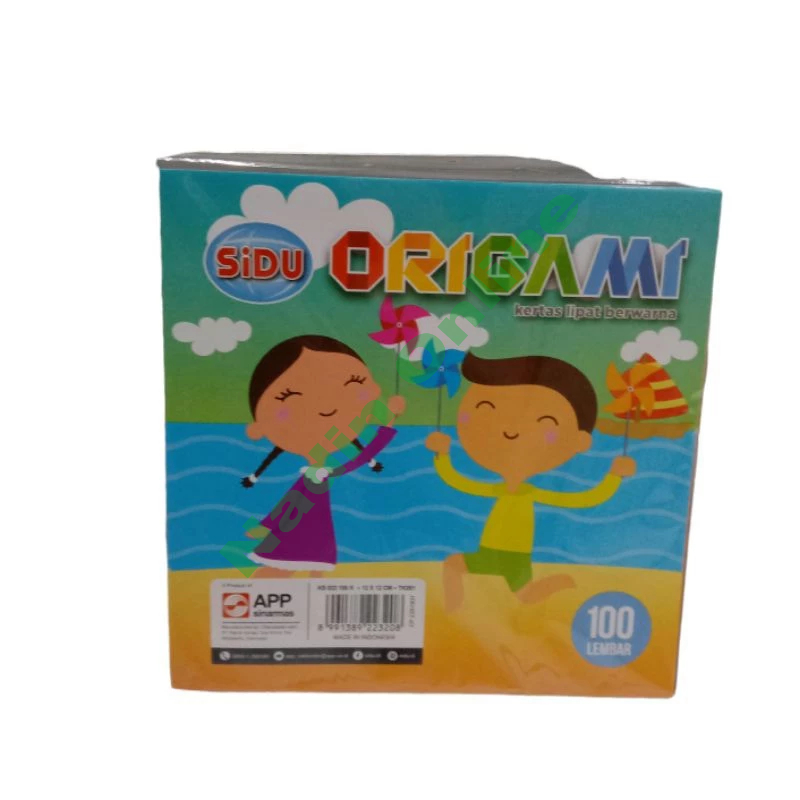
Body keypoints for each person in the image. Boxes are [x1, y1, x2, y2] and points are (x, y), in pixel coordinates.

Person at [425, 351, 635, 610]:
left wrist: (614, 476)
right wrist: (442, 455)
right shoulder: (500, 489)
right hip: (488, 552)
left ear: (580, 441)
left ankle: (558, 583)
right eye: (486, 410)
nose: (510, 430)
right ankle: (454, 611)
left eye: (545, 422)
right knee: (455, 566)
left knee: (524, 595)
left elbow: (586, 498)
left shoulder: (532, 494)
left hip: (516, 558)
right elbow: (459, 481)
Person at [242, 335, 405, 576]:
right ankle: (284, 548)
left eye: (353, 383)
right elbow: (295, 499)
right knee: (304, 542)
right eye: (289, 397)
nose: (326, 407)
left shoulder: (324, 473)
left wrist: (387, 426)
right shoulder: (320, 473)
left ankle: (285, 548)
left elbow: (360, 458)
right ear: (258, 427)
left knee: (309, 545)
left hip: (307, 531)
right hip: (303, 531)